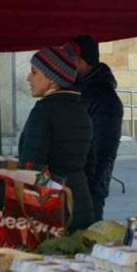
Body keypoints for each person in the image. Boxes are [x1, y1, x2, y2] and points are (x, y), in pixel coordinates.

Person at [18, 46, 94, 231]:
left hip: (54, 210)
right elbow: (91, 165)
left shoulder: (43, 112)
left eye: (34, 72)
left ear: (52, 79)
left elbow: (32, 168)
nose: (29, 77)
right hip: (82, 203)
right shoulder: (82, 111)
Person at [65, 35, 123, 221]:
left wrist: (90, 186)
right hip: (71, 184)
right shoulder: (73, 89)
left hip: (90, 188)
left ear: (85, 63)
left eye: (73, 60)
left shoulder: (105, 99)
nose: (68, 64)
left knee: (86, 239)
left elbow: (104, 147)